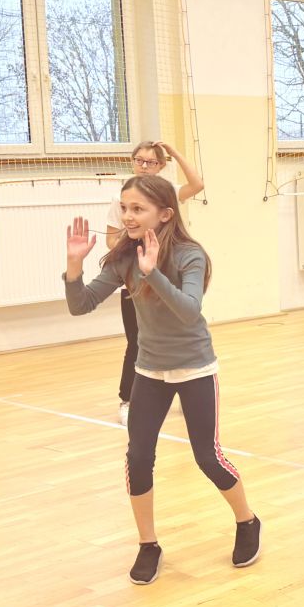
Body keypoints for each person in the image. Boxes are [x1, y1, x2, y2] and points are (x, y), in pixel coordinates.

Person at [64, 177, 259, 585]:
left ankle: (247, 521)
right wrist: (75, 267)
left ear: (165, 214)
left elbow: (189, 310)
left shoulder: (190, 255)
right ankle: (148, 544)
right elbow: (81, 305)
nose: (127, 216)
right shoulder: (124, 256)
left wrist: (152, 273)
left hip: (194, 368)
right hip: (150, 371)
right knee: (138, 457)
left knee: (207, 457)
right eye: (124, 207)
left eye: (138, 208)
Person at [107, 140, 205, 426]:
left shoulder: (168, 192)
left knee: (179, 334)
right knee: (137, 342)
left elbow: (197, 184)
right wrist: (134, 245)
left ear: (161, 166)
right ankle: (128, 399)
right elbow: (111, 240)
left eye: (151, 162)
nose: (144, 166)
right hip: (137, 282)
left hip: (167, 280)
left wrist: (175, 152)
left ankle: (186, 389)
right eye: (139, 160)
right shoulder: (121, 199)